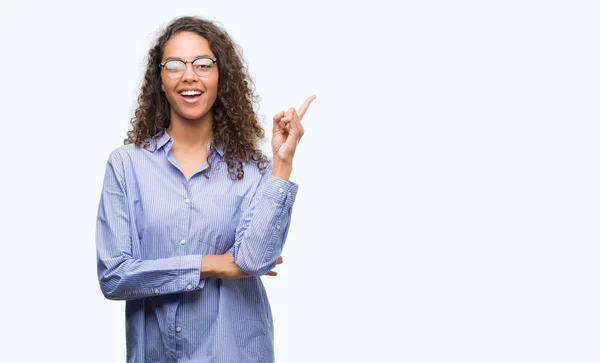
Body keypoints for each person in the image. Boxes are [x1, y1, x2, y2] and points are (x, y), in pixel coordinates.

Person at [95, 15, 315, 363]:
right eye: (174, 65)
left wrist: (282, 163)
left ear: (220, 76)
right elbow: (116, 276)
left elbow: (254, 260)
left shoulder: (254, 169)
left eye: (202, 64)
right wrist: (211, 264)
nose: (189, 75)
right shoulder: (126, 165)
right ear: (160, 80)